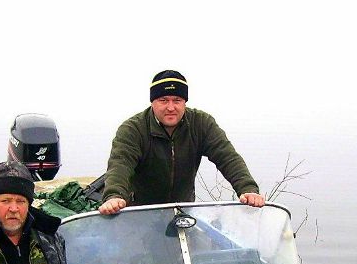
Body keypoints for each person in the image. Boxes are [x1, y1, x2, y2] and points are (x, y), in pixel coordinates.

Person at [99, 69, 265, 214]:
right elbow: (120, 164)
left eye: (177, 100)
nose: (171, 107)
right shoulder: (133, 129)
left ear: (185, 101)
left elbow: (228, 157)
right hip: (141, 213)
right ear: (153, 102)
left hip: (183, 211)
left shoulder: (201, 123)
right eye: (163, 100)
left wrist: (247, 189)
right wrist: (114, 196)